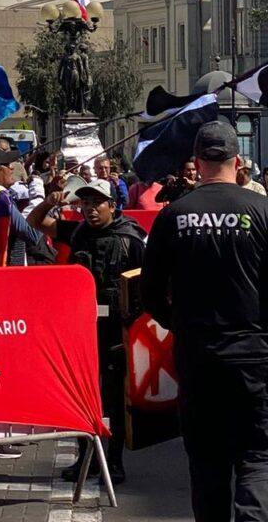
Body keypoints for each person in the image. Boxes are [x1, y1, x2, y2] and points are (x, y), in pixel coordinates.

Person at [142, 120, 268, 522]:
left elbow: (150, 293)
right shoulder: (263, 211)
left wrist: (180, 323)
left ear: (196, 160)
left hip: (199, 356)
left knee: (208, 462)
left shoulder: (174, 215)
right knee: (257, 457)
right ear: (238, 161)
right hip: (254, 356)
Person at [28, 177, 146, 484]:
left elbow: (146, 284)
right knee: (81, 395)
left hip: (116, 332)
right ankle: (87, 458)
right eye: (86, 204)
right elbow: (34, 222)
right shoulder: (77, 231)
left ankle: (115, 461)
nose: (91, 210)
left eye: (97, 203)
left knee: (113, 398)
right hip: (80, 330)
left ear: (113, 205)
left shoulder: (130, 238)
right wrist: (49, 201)